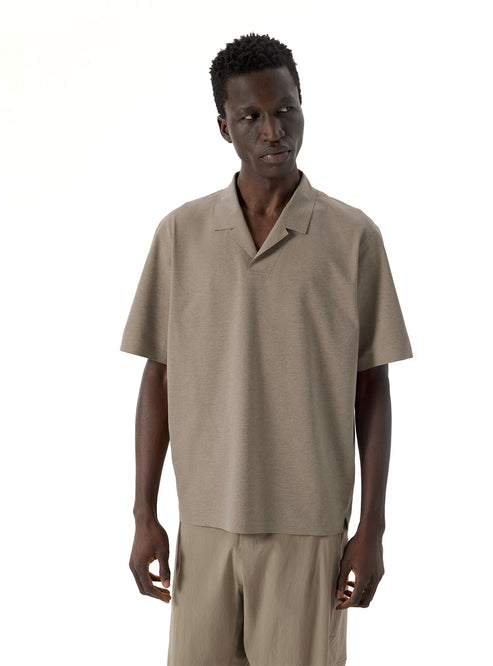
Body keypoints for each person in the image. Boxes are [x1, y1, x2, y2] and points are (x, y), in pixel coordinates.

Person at [120, 33, 413, 666]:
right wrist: (144, 514)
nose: (273, 131)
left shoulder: (353, 238)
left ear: (303, 106)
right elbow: (158, 376)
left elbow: (372, 388)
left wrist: (373, 526)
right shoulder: (181, 233)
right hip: (205, 523)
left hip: (309, 529)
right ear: (223, 127)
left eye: (285, 110)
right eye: (251, 116)